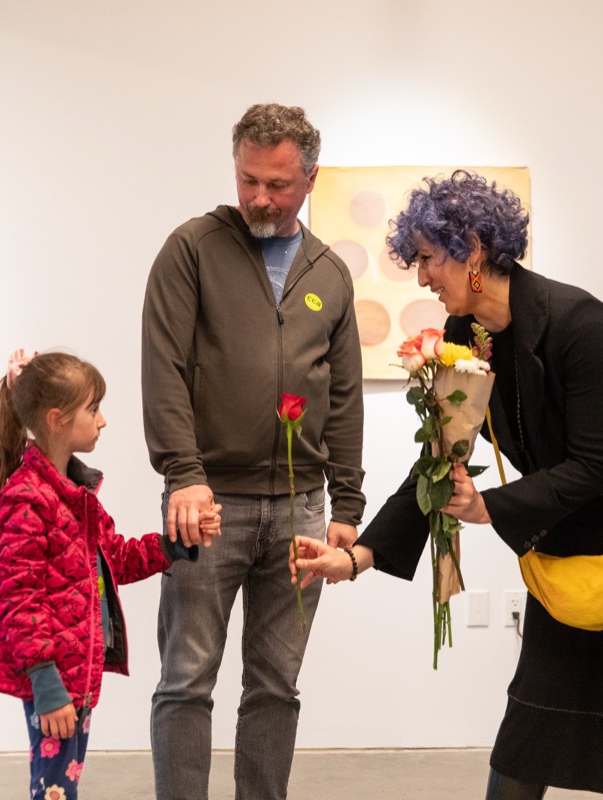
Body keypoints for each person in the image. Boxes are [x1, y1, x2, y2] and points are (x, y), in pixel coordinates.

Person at [291, 171, 603, 800]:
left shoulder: (578, 321)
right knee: (536, 708)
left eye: (426, 259)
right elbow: (439, 463)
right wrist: (357, 556)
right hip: (575, 509)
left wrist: (486, 507)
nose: (420, 278)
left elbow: (597, 466)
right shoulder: (466, 339)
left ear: (471, 247)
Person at [141, 103, 366, 800]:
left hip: (301, 509)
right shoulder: (192, 249)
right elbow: (164, 367)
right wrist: (183, 474)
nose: (260, 199)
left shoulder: (329, 273)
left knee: (276, 685)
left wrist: (348, 504)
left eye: (277, 184)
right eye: (248, 181)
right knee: (187, 679)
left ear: (310, 179)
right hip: (209, 505)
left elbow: (346, 395)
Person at [0, 349, 217, 800]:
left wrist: (177, 543)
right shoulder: (27, 501)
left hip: (76, 674)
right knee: (53, 789)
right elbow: (19, 601)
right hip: (54, 677)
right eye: (93, 408)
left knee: (60, 785)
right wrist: (46, 683)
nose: (102, 420)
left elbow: (117, 559)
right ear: (56, 419)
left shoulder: (75, 494)